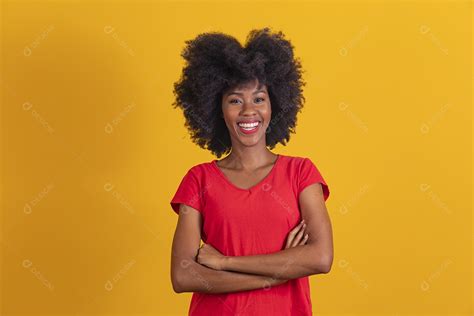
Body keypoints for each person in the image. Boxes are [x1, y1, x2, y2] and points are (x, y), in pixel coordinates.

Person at [170, 27, 333, 316]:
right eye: (235, 100)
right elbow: (183, 276)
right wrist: (279, 272)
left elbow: (320, 257)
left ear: (274, 105)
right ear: (217, 108)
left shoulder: (301, 173)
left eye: (259, 99)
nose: (248, 110)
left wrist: (225, 262)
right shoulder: (198, 180)